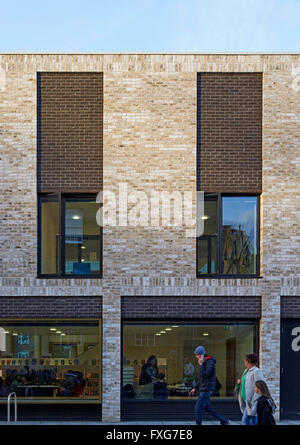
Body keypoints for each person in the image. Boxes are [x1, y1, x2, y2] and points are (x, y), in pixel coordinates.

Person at [189, 346, 230, 425]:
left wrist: (201, 365)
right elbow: (201, 378)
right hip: (204, 388)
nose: (196, 357)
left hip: (206, 389)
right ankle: (224, 420)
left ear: (201, 355)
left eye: (197, 355)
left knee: (198, 408)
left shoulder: (210, 362)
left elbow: (206, 375)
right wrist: (195, 388)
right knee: (207, 408)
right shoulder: (204, 362)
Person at [235, 353, 264, 425]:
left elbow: (260, 387)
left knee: (245, 421)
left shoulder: (256, 371)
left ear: (248, 361)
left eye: (245, 360)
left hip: (251, 402)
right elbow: (247, 382)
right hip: (245, 400)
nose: (244, 361)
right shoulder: (246, 371)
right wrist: (240, 383)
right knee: (253, 421)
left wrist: (253, 401)